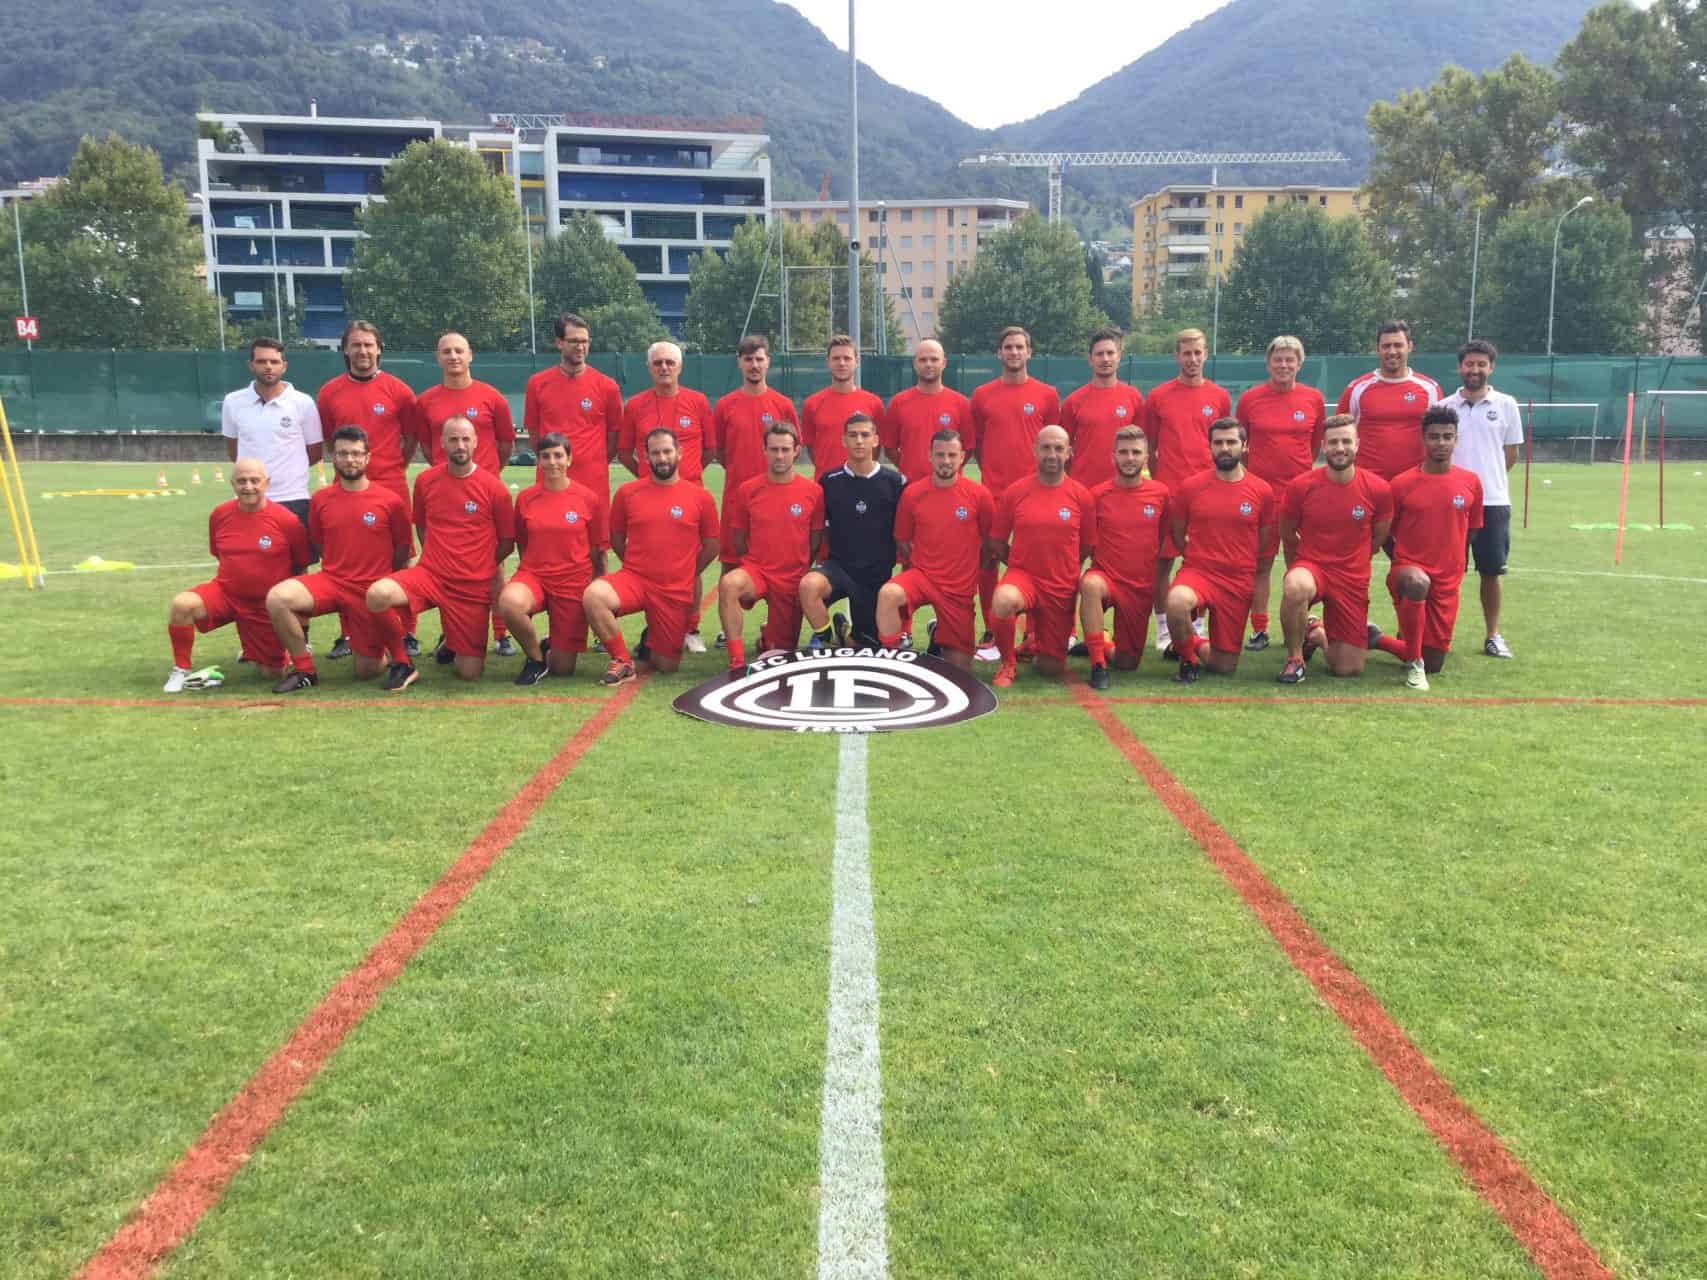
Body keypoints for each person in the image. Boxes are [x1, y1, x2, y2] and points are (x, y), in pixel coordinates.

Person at [365, 417, 515, 686]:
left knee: (469, 673)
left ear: (476, 442)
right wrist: (437, 557)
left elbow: (506, 542)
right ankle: (402, 662)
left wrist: (479, 565)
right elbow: (421, 526)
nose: (460, 445)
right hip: (431, 576)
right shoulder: (426, 481)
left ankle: (453, 641)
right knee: (378, 595)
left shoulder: (494, 487)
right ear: (442, 443)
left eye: (466, 439)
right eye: (453, 439)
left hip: (471, 586)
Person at [264, 426, 414, 693]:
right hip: (331, 582)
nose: (350, 460)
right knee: (278, 598)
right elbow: (321, 542)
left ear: (368, 458)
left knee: (367, 671)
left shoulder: (390, 501)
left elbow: (402, 550)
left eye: (356, 454)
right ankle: (304, 670)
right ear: (333, 457)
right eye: (343, 454)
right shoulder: (321, 499)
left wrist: (382, 586)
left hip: (369, 590)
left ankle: (384, 649)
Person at [314, 320, 420, 658]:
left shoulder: (399, 391)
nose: (363, 351)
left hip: (390, 485)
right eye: (356, 345)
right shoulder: (330, 392)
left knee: (400, 558)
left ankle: (407, 631)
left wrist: (392, 467)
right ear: (345, 350)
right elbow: (331, 439)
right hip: (344, 489)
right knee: (344, 561)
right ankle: (348, 634)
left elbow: (411, 437)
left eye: (369, 345)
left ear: (379, 349)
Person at [584, 428, 721, 684]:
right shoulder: (627, 493)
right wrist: (636, 566)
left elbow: (712, 546)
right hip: (635, 579)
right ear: (645, 457)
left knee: (666, 666)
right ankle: (623, 660)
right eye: (655, 453)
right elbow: (616, 538)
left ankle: (651, 639)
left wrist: (687, 572)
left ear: (679, 453)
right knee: (594, 595)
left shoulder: (700, 498)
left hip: (673, 589)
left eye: (667, 451)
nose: (662, 458)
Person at [411, 331, 519, 655]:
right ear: (438, 357)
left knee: (493, 566)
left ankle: (501, 634)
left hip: (483, 494)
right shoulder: (427, 400)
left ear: (470, 355)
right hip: (446, 492)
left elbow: (505, 443)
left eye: (459, 350)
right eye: (447, 351)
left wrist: (486, 476)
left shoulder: (491, 397)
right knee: (447, 568)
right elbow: (427, 444)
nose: (453, 356)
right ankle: (451, 634)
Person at [163, 458, 309, 691]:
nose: (248, 486)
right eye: (241, 481)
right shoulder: (219, 515)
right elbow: (220, 554)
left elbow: (301, 569)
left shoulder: (287, 520)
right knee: (182, 605)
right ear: (232, 484)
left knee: (271, 673)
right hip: (227, 594)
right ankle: (181, 670)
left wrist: (300, 621)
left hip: (265, 606)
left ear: (267, 483)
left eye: (254, 481)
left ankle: (258, 649)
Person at [1368, 405, 1485, 690]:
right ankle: (1414, 663)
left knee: (1435, 664)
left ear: (1456, 439)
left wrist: (1455, 559)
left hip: (1447, 580)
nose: (1441, 443)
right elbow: (1385, 533)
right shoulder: (1401, 484)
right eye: (1434, 437)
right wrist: (1400, 563)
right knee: (1417, 582)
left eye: (1447, 436)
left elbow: (1472, 529)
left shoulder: (1470, 482)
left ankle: (1376, 639)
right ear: (1423, 439)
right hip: (1409, 573)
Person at [1274, 416, 1393, 684]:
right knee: (1296, 586)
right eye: (1333, 442)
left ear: (1357, 445)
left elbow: (1379, 535)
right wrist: (1297, 567)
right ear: (1323, 446)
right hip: (1313, 568)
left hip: (1351, 577)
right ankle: (1295, 659)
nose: (1340, 448)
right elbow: (1287, 532)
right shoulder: (1301, 486)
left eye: (1346, 441)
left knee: (1348, 668)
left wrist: (1357, 558)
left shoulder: (1378, 489)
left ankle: (1315, 632)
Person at [619, 340, 716, 650]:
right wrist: (649, 482)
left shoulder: (698, 401)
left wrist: (680, 482)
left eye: (669, 363)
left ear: (680, 367)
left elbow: (711, 449)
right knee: (651, 564)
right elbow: (623, 452)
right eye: (658, 363)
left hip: (690, 499)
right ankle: (655, 628)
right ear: (649, 367)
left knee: (691, 565)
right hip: (650, 501)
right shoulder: (635, 405)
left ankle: (692, 627)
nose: (664, 368)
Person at [1164, 419, 1276, 683]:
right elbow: (1178, 534)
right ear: (1210, 447)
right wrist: (1196, 557)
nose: (1224, 448)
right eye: (1218, 443)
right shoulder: (1191, 487)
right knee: (1177, 601)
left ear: (1244, 446)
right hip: (1199, 573)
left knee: (1223, 665)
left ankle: (1192, 641)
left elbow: (1263, 540)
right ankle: (1188, 660)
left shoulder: (1262, 491)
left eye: (1231, 442)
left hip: (1237, 580)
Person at [969, 326, 1061, 645]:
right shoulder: (982, 395)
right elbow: (978, 443)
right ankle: (993, 627)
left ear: (1029, 352)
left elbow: (1054, 444)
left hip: (1034, 493)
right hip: (993, 493)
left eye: (1020, 347)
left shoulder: (1047, 394)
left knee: (1037, 560)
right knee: (988, 559)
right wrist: (992, 473)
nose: (1014, 352)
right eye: (1008, 347)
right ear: (999, 353)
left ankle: (1036, 630)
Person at [986, 425, 1096, 688]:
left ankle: (1034, 643)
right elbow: (997, 541)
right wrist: (1019, 565)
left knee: (1051, 668)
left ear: (1069, 452)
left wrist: (1066, 567)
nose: (1052, 454)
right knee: (1003, 600)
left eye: (1059, 448)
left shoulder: (1081, 496)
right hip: (1023, 577)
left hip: (1060, 584)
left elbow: (1087, 546)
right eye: (1046, 447)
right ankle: (1007, 664)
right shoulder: (1016, 492)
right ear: (1035, 450)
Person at [1142, 328, 1230, 658]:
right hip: (1169, 494)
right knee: (1162, 563)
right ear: (1176, 356)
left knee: (1203, 563)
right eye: (1186, 353)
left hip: (1207, 497)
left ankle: (1196, 626)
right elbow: (1149, 446)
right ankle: (1164, 628)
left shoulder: (1219, 396)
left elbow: (1223, 444)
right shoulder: (1158, 397)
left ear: (1206, 354)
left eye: (1198, 353)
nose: (1192, 359)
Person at [1236, 334, 1326, 651]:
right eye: (1278, 359)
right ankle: (1259, 628)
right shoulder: (1251, 399)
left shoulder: (1313, 399)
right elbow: (1242, 447)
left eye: (1290, 360)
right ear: (1268, 363)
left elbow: (1315, 445)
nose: (1284, 365)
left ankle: (1301, 624)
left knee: (1300, 565)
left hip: (1302, 498)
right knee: (1261, 564)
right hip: (1261, 497)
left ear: (1299, 364)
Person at [499, 432, 609, 685]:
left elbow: (597, 552)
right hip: (534, 576)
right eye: (545, 456)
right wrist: (531, 569)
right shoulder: (526, 498)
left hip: (573, 582)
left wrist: (597, 597)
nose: (552, 462)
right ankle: (536, 659)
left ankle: (553, 643)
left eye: (558, 455)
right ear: (538, 460)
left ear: (569, 459)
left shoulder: (588, 499)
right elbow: (523, 543)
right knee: (509, 602)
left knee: (562, 668)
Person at [879, 429, 994, 671]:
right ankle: (891, 659)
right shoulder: (913, 493)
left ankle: (938, 634)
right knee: (888, 594)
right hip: (923, 577)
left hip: (958, 589)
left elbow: (989, 543)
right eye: (940, 454)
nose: (946, 461)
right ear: (929, 456)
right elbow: (902, 539)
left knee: (960, 671)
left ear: (963, 456)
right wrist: (924, 564)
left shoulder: (979, 496)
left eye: (952, 455)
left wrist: (970, 570)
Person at [709, 334, 799, 639]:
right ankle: (729, 630)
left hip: (776, 502)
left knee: (779, 564)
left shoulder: (782, 404)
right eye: (748, 359)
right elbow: (720, 451)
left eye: (759, 359)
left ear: (768, 362)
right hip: (737, 498)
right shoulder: (724, 405)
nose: (754, 365)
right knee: (731, 562)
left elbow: (792, 446)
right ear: (740, 363)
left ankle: (772, 626)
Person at [718, 424, 825, 673]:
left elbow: (816, 539)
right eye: (774, 449)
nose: (779, 455)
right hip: (757, 571)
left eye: (785, 449)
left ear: (797, 451)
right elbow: (739, 537)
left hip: (791, 579)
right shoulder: (748, 490)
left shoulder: (813, 492)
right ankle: (736, 660)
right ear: (764, 450)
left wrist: (798, 566)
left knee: (779, 653)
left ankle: (769, 637)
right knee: (730, 583)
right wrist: (753, 564)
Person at [1439, 339, 1523, 659]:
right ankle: (1442, 633)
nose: (1474, 370)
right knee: (1449, 572)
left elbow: (1510, 453)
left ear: (1491, 367)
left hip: (1493, 502)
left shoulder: (1506, 404)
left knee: (1491, 571)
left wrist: (1489, 483)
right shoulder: (1444, 406)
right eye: (1469, 364)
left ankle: (1493, 635)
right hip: (1452, 502)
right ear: (1460, 367)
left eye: (1481, 364)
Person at [800, 412, 905, 647]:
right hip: (839, 569)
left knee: (865, 648)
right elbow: (819, 529)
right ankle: (828, 638)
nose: (859, 441)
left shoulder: (895, 482)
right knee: (808, 586)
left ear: (875, 440)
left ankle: (845, 635)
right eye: (853, 435)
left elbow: (904, 533)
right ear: (843, 441)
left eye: (865, 435)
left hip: (876, 575)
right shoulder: (829, 481)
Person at [1078, 427, 1170, 690]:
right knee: (1091, 585)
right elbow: (1087, 541)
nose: (1129, 458)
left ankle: (1101, 642)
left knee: (1127, 663)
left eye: (1136, 452)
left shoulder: (1161, 494)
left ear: (1147, 457)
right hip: (1106, 577)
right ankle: (1098, 664)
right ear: (1113, 457)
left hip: (1139, 587)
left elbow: (1161, 538)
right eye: (1123, 452)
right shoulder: (1096, 495)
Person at [221, 338, 323, 528]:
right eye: (261, 361)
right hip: (249, 498)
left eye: (274, 362)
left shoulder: (303, 402)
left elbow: (315, 452)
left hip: (292, 497)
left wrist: (288, 471)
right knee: (249, 557)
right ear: (251, 365)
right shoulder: (233, 402)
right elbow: (234, 451)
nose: (268, 367)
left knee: (295, 558)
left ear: (284, 366)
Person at [524, 311, 623, 498]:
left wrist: (591, 463)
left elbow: (614, 439)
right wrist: (552, 462)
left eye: (584, 341)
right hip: (550, 483)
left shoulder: (607, 386)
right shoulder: (537, 384)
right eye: (574, 341)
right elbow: (534, 435)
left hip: (593, 485)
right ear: (559, 343)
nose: (580, 347)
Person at [1337, 320, 1442, 483]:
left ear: (1410, 346)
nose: (1392, 351)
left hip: (1415, 483)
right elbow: (1338, 435)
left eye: (1398, 345)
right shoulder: (1356, 389)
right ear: (1377, 349)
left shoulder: (1430, 389)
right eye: (1386, 346)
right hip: (1368, 483)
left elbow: (1440, 438)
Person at [1060, 326, 1144, 491]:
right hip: (1083, 488)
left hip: (1122, 490)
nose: (1105, 359)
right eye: (1099, 354)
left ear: (1119, 356)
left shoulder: (1134, 398)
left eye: (1110, 353)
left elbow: (1140, 447)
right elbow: (1064, 451)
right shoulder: (1073, 401)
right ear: (1090, 359)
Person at [880, 338, 973, 483]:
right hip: (910, 487)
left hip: (949, 488)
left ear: (944, 363)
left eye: (934, 359)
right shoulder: (898, 403)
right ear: (915, 364)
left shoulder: (961, 404)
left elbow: (968, 448)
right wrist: (909, 468)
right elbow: (889, 449)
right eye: (923, 360)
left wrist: (948, 470)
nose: (928, 364)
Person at [800, 334, 884, 480]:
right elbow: (811, 448)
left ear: (857, 361)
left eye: (847, 358)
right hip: (826, 486)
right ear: (828, 362)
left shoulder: (874, 403)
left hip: (863, 483)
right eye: (836, 358)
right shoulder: (811, 404)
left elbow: (876, 448)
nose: (842, 363)